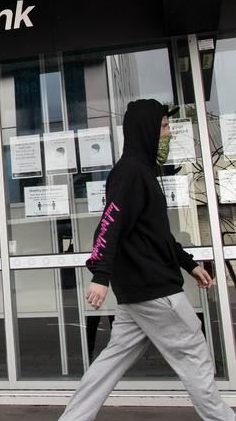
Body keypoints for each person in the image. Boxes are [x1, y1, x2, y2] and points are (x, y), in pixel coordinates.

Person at [59, 99, 235, 420]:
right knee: (194, 353)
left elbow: (157, 236)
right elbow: (109, 224)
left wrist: (189, 264)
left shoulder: (142, 173)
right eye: (164, 127)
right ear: (146, 129)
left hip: (138, 293)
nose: (168, 134)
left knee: (111, 361)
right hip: (155, 291)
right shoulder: (131, 172)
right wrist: (101, 275)